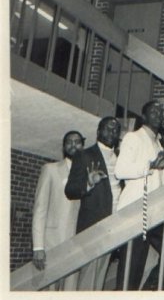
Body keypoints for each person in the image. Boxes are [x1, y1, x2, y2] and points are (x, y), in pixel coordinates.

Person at [115, 100, 164, 290]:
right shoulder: (133, 137)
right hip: (137, 210)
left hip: (157, 211)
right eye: (154, 111)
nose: (159, 114)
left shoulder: (159, 144)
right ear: (143, 116)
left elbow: (161, 180)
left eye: (161, 112)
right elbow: (120, 170)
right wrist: (151, 166)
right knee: (131, 267)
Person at [65, 117, 122, 290]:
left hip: (115, 223)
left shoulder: (121, 157)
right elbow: (71, 190)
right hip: (93, 224)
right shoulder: (84, 155)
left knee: (100, 277)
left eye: (115, 130)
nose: (111, 132)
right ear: (98, 132)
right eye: (107, 128)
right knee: (88, 279)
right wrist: (89, 184)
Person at [32, 131, 85, 290]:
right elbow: (40, 209)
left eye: (77, 142)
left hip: (77, 244)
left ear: (83, 146)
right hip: (52, 243)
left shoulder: (87, 173)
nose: (73, 145)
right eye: (69, 141)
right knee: (49, 289)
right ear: (63, 146)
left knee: (70, 290)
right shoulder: (50, 169)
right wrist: (38, 247)